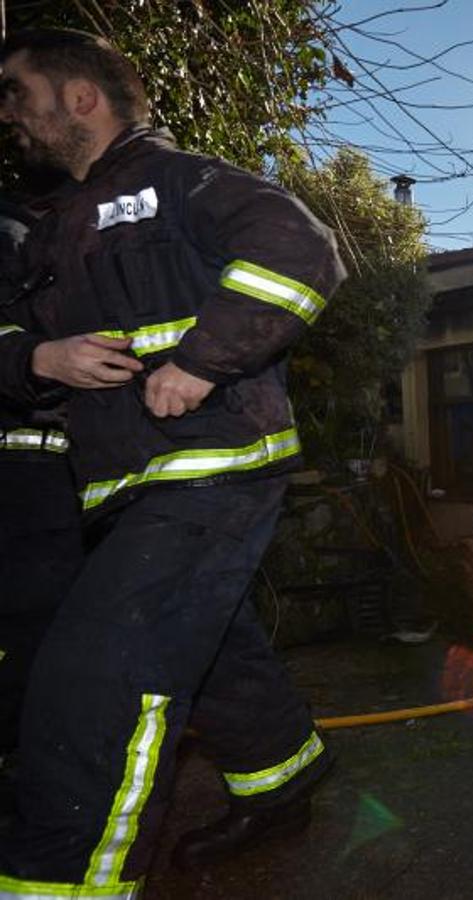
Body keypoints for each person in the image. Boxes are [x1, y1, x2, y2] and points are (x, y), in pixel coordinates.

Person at [0, 29, 346, 894]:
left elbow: (303, 252)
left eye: (16, 90)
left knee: (98, 676)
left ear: (79, 96)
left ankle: (60, 880)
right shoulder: (50, 231)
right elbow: (24, 347)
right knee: (213, 642)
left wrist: (200, 363)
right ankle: (283, 778)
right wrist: (42, 361)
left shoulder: (175, 179)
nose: (7, 113)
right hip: (122, 481)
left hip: (211, 464)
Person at [0, 193, 82, 768]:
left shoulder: (40, 236)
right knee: (39, 630)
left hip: (44, 476)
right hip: (34, 479)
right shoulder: (22, 240)